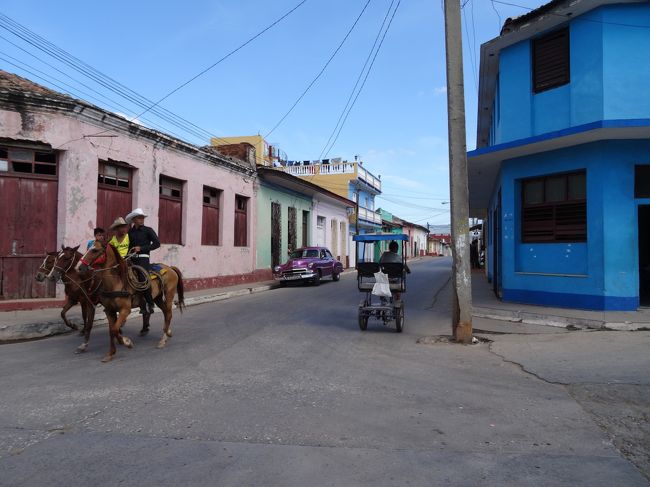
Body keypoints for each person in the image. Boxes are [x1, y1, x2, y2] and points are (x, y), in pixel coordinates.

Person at [125, 208, 160, 314]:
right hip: (131, 258)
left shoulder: (148, 230)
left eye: (142, 218)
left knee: (142, 278)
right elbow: (128, 245)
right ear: (134, 220)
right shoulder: (130, 232)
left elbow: (157, 244)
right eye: (139, 218)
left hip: (143, 258)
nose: (142, 220)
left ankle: (149, 303)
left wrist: (141, 248)